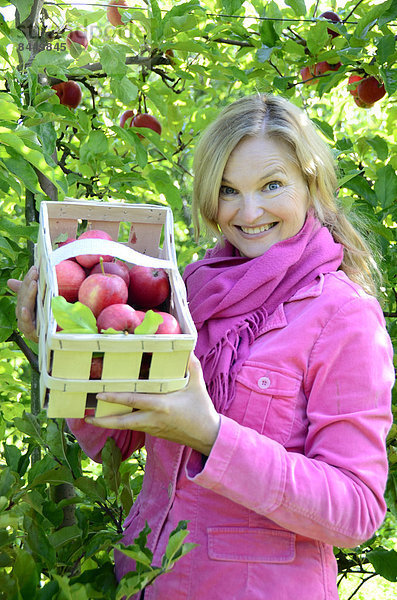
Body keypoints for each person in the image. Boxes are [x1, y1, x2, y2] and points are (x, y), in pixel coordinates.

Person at [8, 94, 395, 600]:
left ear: (311, 182)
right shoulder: (190, 292)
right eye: (228, 190)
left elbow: (356, 509)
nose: (248, 211)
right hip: (150, 579)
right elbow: (116, 440)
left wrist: (212, 436)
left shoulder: (342, 316)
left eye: (272, 185)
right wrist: (67, 342)